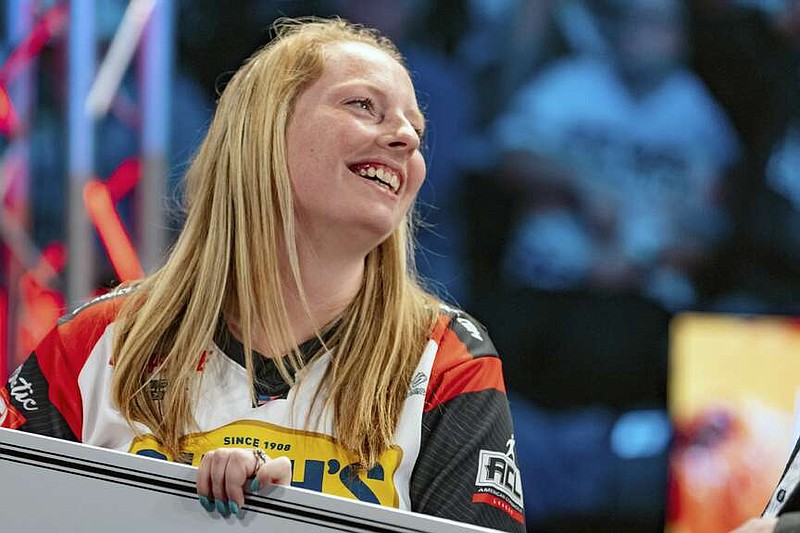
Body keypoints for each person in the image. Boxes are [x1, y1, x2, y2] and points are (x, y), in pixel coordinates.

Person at [0, 17, 525, 532]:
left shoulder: (446, 360)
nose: (407, 139)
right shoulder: (95, 342)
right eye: (364, 105)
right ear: (264, 132)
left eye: (417, 128)